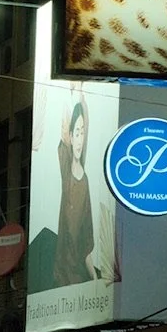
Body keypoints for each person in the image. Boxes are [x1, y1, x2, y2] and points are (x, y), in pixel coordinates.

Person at [54, 99, 99, 288]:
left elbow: (86, 242)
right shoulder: (65, 168)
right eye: (77, 133)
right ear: (70, 137)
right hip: (62, 274)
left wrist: (96, 281)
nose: (80, 139)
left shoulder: (86, 181)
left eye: (83, 132)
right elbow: (65, 122)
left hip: (78, 276)